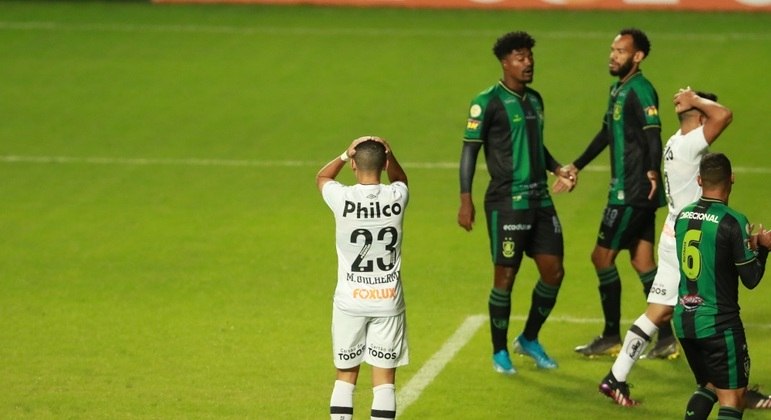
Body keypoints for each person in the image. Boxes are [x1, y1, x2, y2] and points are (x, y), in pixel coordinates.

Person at [597, 88, 732, 406]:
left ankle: (615, 377)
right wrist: (695, 99)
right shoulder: (689, 144)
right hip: (690, 242)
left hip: (672, 236)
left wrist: (693, 103)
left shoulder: (674, 141)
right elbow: (724, 115)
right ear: (701, 118)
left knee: (659, 312)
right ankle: (731, 387)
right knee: (716, 311)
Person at [457, 31, 575, 375]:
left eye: (530, 56)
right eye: (520, 58)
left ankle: (529, 338)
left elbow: (535, 144)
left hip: (540, 199)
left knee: (554, 272)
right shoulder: (488, 102)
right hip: (506, 201)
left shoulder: (535, 100)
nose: (528, 63)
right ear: (504, 62)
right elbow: (469, 151)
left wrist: (558, 168)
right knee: (505, 276)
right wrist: (465, 199)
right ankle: (499, 351)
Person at [563, 28, 672, 358]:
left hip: (632, 191)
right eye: (612, 49)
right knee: (642, 262)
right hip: (633, 191)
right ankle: (667, 339)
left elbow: (654, 134)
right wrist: (577, 165)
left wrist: (652, 171)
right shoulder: (618, 89)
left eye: (621, 51)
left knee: (601, 258)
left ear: (637, 57)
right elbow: (606, 133)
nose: (613, 56)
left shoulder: (641, 90)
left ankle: (611, 335)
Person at [317, 136, 409, 420]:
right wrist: (390, 155)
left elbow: (322, 177)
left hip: (350, 302)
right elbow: (401, 179)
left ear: (354, 165)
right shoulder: (397, 196)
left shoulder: (342, 197)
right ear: (383, 165)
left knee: (345, 378)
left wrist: (344, 155)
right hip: (387, 302)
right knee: (385, 383)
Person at [673, 152, 770, 420]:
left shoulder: (683, 216)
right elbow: (751, 278)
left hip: (685, 322)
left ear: (699, 180)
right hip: (719, 325)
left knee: (709, 385)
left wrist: (743, 245)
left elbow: (708, 251)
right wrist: (762, 249)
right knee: (733, 398)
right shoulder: (733, 221)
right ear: (732, 179)